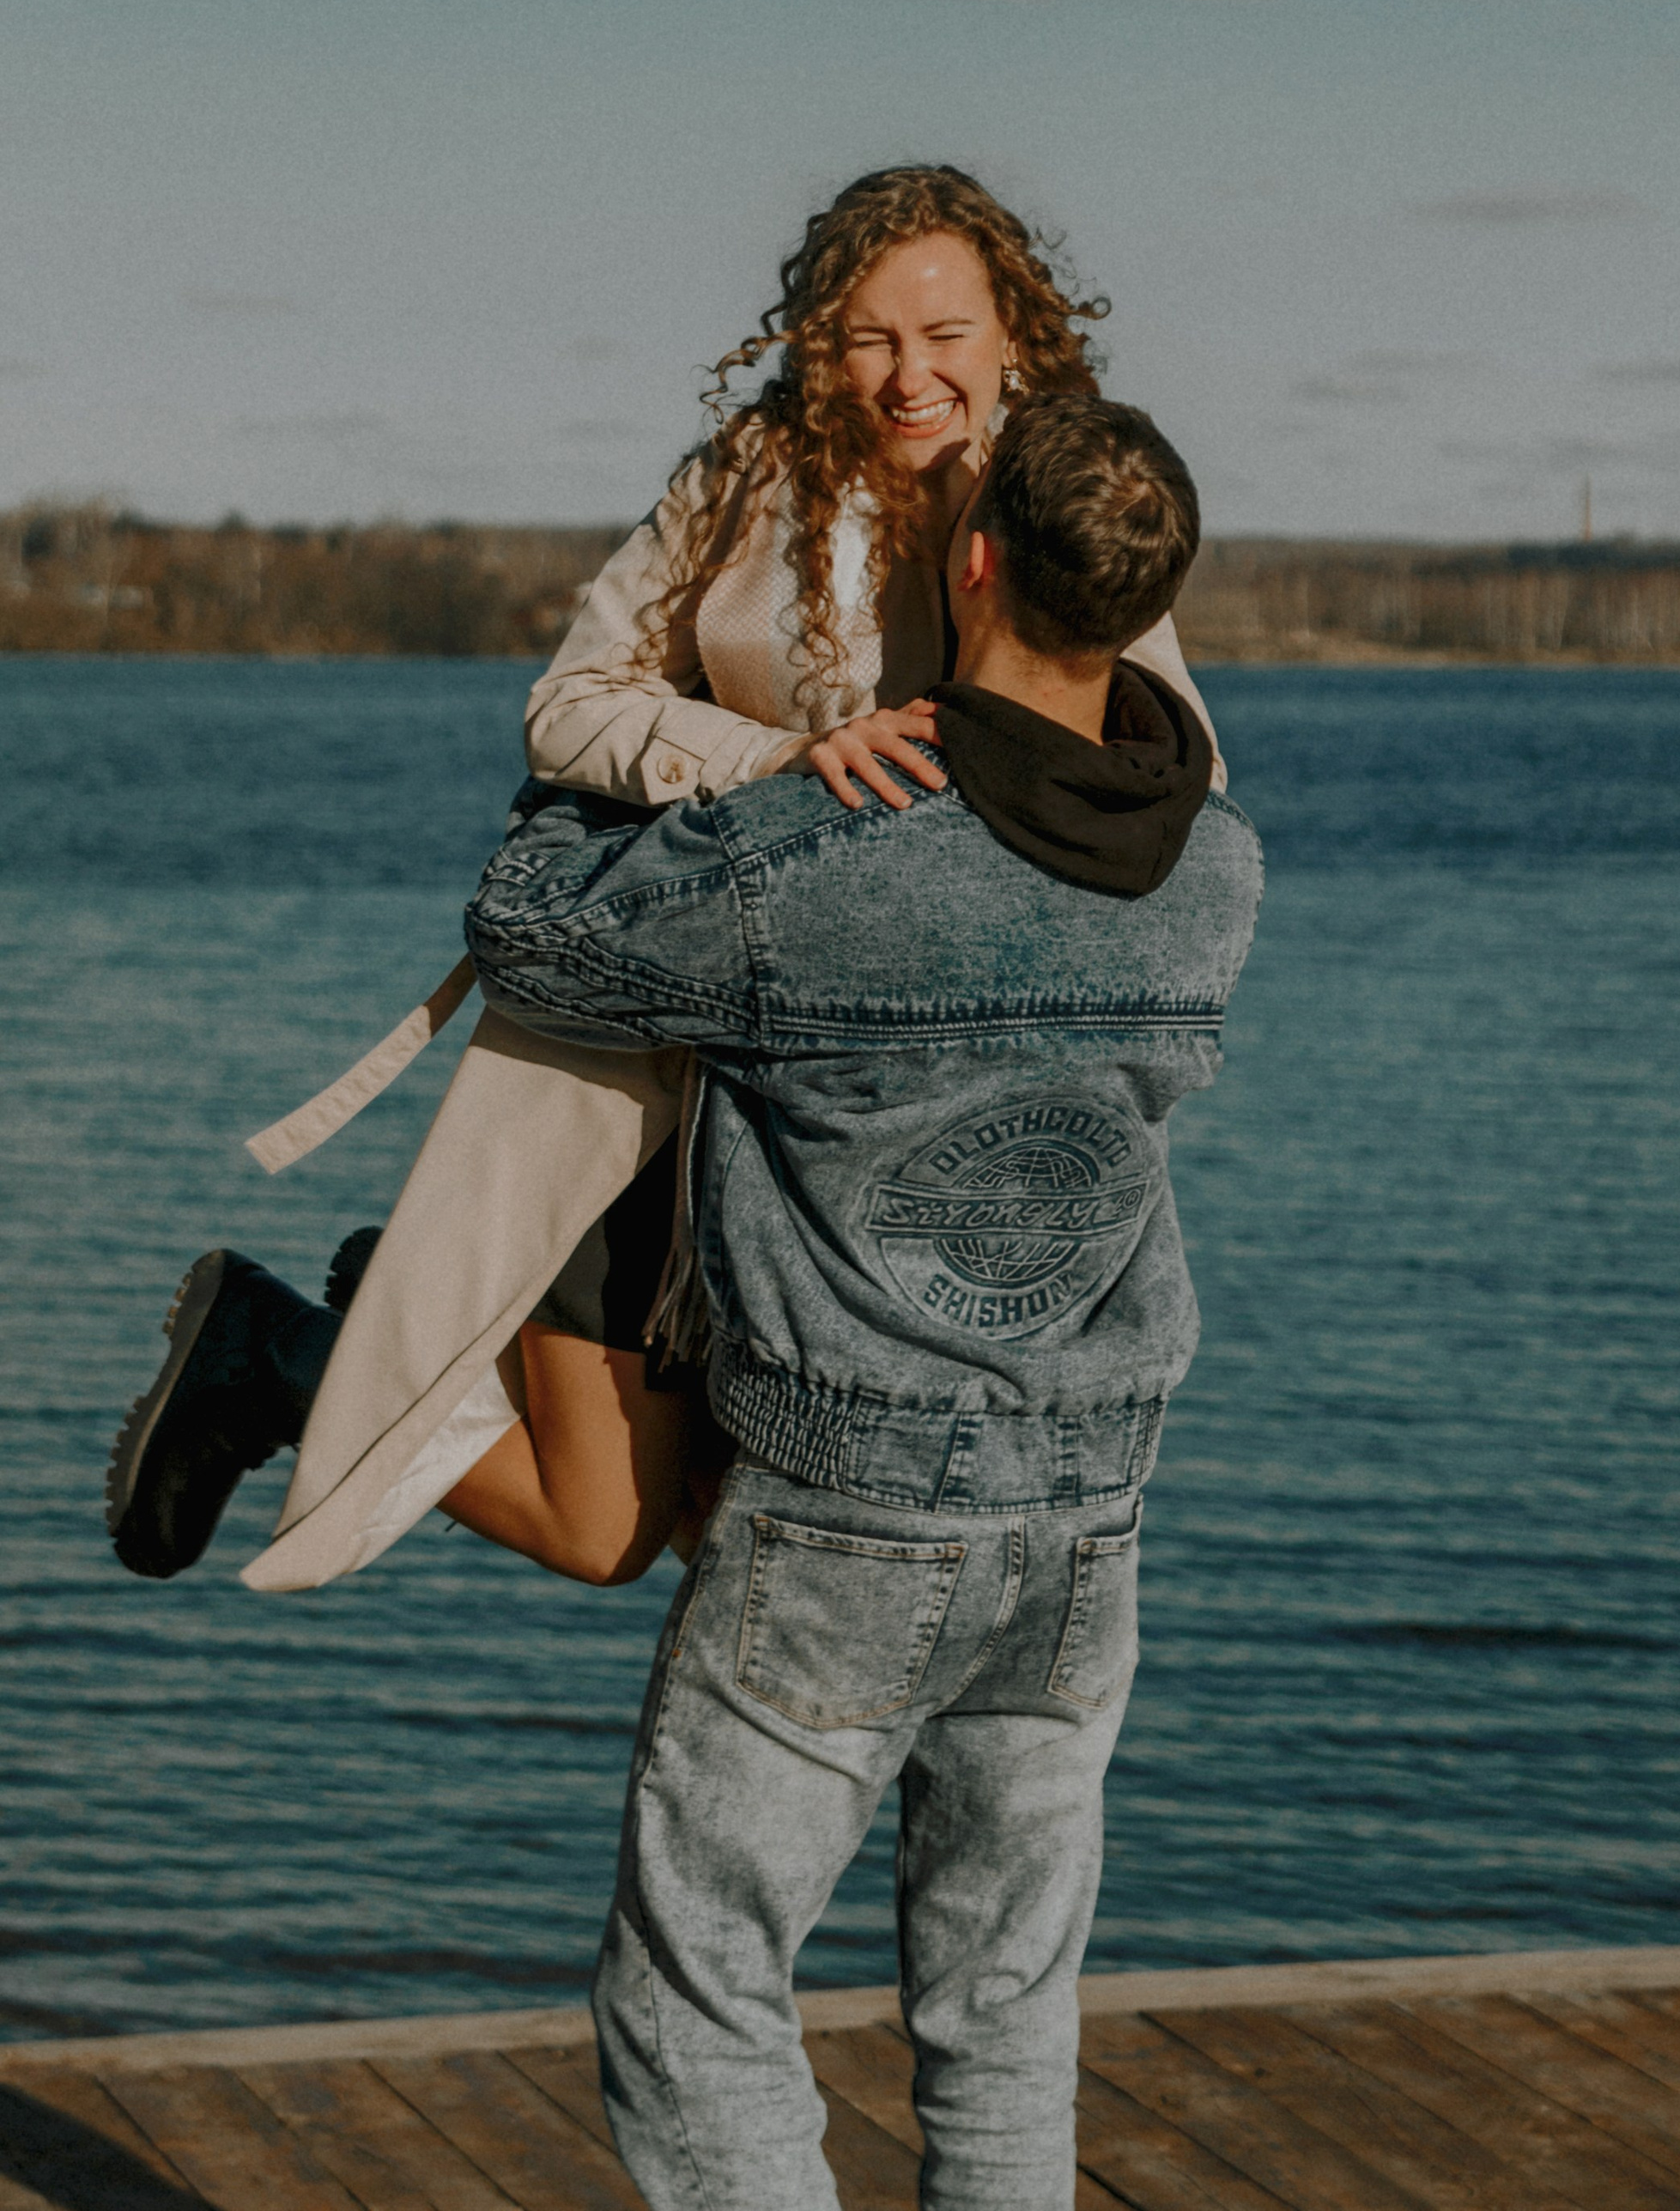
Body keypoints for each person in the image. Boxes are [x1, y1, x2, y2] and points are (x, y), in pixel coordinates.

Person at [106, 165, 1221, 1595]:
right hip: (646, 1058)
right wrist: (782, 757)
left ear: (1016, 330)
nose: (909, 375)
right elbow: (566, 708)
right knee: (604, 1531)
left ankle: (375, 1328)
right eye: (869, 338)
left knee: (751, 1526)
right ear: (820, 343)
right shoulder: (747, 480)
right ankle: (286, 1350)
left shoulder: (1063, 504)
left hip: (846, 1122)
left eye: (945, 335)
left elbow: (1177, 778)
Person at [462, 394, 1263, 2211]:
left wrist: (694, 751)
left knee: (701, 1994)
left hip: (844, 1517)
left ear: (967, 565)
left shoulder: (829, 856)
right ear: (1143, 611)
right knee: (1003, 2010)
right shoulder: (1217, 869)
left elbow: (527, 927)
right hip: (1088, 1521)